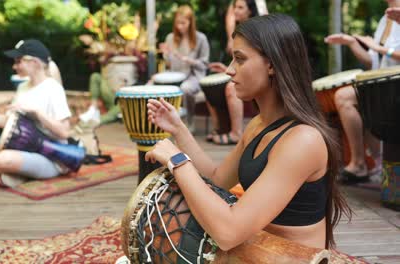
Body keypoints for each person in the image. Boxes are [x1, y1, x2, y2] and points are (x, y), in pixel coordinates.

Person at [146, 14, 351, 250]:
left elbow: (228, 233)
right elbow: (217, 179)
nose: (230, 71)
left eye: (240, 59)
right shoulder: (258, 124)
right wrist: (178, 130)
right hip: (258, 249)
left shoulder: (303, 140)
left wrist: (177, 161)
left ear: (272, 64)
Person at [0, 39, 72, 187]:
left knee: (4, 159)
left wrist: (37, 112)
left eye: (18, 61)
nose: (14, 66)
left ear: (35, 63)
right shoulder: (23, 88)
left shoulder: (53, 89)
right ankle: (16, 172)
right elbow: (10, 123)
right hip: (20, 148)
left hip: (50, 157)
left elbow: (64, 132)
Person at [324, 0, 400, 183]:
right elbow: (372, 61)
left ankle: (367, 162)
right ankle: (362, 163)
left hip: (396, 84)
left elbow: (383, 51)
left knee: (346, 97)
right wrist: (351, 43)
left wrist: (378, 48)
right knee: (344, 96)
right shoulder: (385, 19)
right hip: (383, 83)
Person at [206, 0, 259, 145]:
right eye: (235, 7)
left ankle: (236, 133)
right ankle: (221, 128)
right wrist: (225, 69)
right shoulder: (240, 30)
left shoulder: (256, 30)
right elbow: (241, 61)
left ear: (250, 10)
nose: (235, 10)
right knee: (209, 86)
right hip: (244, 71)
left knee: (230, 87)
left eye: (240, 7)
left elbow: (254, 62)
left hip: (257, 74)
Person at [160, 5, 210, 133]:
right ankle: (165, 124)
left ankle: (189, 123)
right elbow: (169, 64)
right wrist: (165, 54)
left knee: (186, 88)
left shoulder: (201, 38)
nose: (180, 26)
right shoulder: (170, 38)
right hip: (176, 75)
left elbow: (204, 64)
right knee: (155, 85)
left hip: (194, 75)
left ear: (191, 22)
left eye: (183, 23)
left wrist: (188, 60)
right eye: (177, 23)